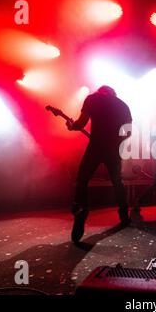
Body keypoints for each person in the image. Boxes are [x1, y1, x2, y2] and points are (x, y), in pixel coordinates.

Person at [67, 85, 132, 243]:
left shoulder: (92, 99)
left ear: (100, 91)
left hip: (95, 147)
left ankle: (81, 209)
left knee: (82, 180)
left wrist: (71, 126)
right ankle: (124, 214)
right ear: (113, 93)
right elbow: (128, 132)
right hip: (113, 149)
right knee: (117, 181)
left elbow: (81, 123)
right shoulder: (123, 105)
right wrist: (117, 142)